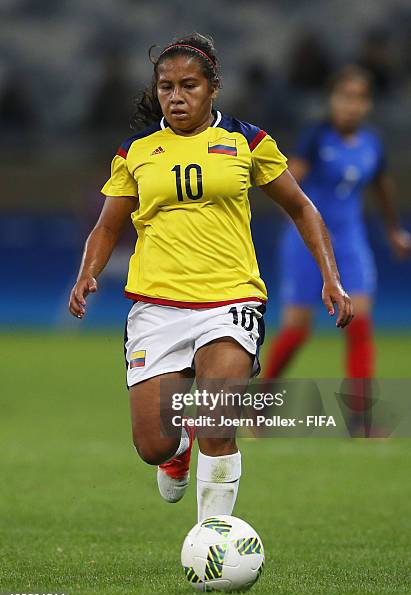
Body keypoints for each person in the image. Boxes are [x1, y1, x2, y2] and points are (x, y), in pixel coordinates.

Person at [69, 33, 353, 521]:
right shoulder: (136, 150)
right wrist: (86, 274)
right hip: (157, 307)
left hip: (230, 300)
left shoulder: (248, 141)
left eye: (189, 86)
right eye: (166, 87)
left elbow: (302, 209)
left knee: (219, 421)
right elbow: (108, 225)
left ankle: (214, 537)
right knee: (152, 446)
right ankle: (178, 447)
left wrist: (332, 278)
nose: (177, 97)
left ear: (213, 87)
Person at [264, 65, 411, 386]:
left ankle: (362, 417)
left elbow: (383, 188)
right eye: (344, 96)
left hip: (350, 243)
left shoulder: (371, 143)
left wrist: (394, 230)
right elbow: (287, 181)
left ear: (368, 104)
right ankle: (259, 404)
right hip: (308, 244)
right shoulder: (315, 137)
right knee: (297, 330)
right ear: (331, 100)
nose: (351, 104)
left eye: (359, 98)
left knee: (359, 322)